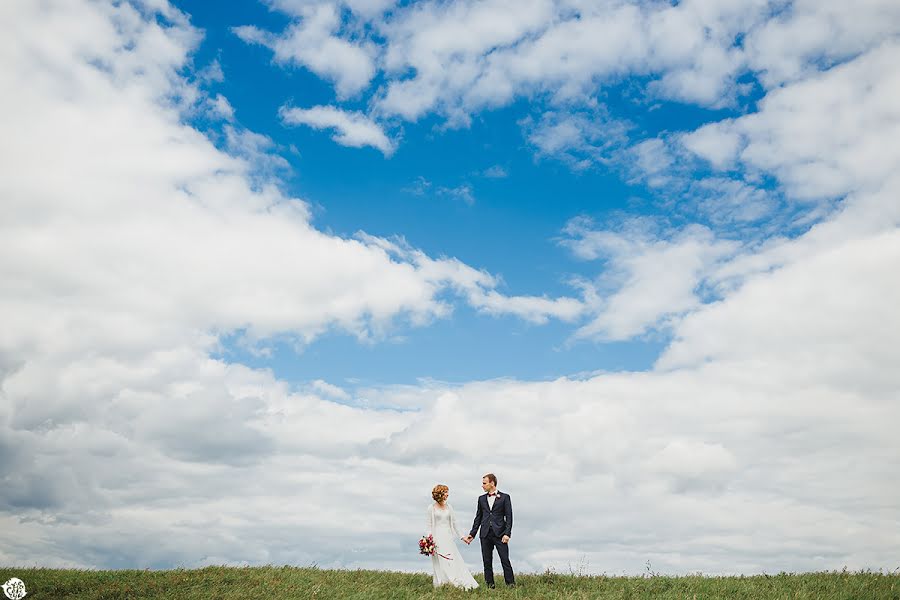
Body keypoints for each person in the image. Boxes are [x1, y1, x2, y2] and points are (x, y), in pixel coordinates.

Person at [462, 473, 515, 588]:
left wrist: (507, 533)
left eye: (484, 483)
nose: (482, 485)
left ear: (492, 483)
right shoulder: (481, 499)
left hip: (500, 534)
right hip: (485, 534)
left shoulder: (505, 497)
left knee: (505, 560)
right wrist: (472, 534)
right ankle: (490, 586)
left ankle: (511, 585)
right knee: (487, 562)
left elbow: (509, 517)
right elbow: (478, 517)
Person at [425, 484, 479, 590]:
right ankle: (442, 583)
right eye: (445, 492)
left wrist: (463, 537)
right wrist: (428, 541)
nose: (447, 494)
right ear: (440, 494)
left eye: (447, 492)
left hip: (448, 537)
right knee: (440, 561)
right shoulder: (431, 508)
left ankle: (454, 582)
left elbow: (455, 524)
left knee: (450, 559)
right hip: (436, 538)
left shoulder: (449, 507)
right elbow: (429, 526)